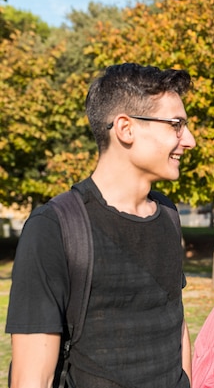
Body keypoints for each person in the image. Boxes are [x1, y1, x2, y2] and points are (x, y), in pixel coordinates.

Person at [6, 63, 196, 388]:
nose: (189, 140)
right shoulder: (54, 226)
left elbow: (175, 324)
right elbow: (31, 378)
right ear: (125, 129)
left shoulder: (168, 213)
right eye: (176, 125)